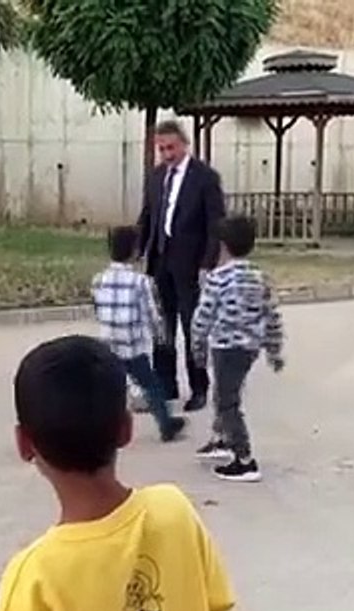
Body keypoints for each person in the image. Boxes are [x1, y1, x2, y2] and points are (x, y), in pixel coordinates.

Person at [0, 335, 235, 611]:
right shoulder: (175, 512)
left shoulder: (34, 577)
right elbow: (209, 606)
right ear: (126, 429)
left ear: (24, 443)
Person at [137, 119, 227, 413]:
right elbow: (148, 216)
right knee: (161, 326)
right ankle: (164, 385)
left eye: (171, 147)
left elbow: (216, 223)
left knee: (192, 327)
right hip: (160, 261)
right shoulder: (155, 177)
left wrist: (208, 263)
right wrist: (137, 251)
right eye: (161, 149)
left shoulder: (205, 178)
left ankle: (199, 387)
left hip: (191, 263)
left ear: (184, 144)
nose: (167, 154)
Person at [191, 216, 285, 483]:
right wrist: (274, 350)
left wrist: (197, 347)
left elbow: (203, 316)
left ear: (222, 246)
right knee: (227, 392)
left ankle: (244, 459)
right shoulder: (260, 277)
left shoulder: (217, 278)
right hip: (249, 348)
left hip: (225, 346)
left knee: (227, 401)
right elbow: (272, 316)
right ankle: (222, 439)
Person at [92, 225, 187, 442]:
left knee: (112, 390)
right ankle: (166, 424)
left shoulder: (99, 279)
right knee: (151, 384)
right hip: (132, 344)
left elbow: (98, 308)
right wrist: (161, 336)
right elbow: (151, 314)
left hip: (108, 341)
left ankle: (108, 431)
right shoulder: (141, 282)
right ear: (136, 251)